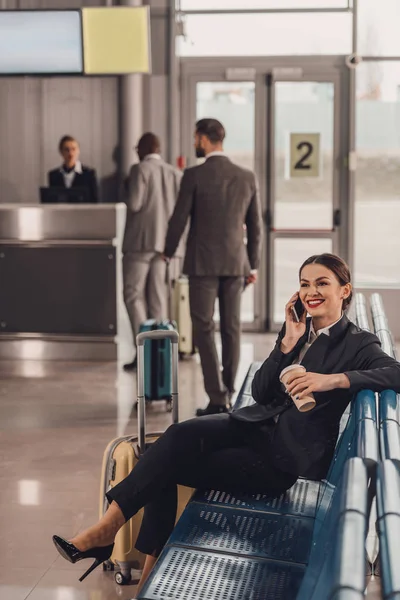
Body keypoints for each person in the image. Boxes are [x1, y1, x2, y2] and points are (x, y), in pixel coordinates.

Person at [52, 253, 400, 593]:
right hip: (254, 424)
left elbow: (395, 373)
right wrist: (287, 343)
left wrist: (333, 380)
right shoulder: (298, 327)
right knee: (174, 438)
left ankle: (121, 548)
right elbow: (262, 392)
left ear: (345, 290)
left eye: (322, 283)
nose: (311, 292)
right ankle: (110, 531)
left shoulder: (357, 343)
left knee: (162, 464)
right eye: (305, 284)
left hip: (281, 459)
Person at [164, 118, 263, 416]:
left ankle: (217, 397)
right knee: (231, 328)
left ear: (205, 139)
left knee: (204, 328)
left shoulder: (193, 175)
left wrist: (167, 252)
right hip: (236, 264)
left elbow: (179, 218)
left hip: (202, 265)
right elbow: (255, 226)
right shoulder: (246, 176)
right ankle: (230, 391)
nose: (195, 142)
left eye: (196, 138)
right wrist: (253, 265)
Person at [122, 132, 183, 371]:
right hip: (165, 246)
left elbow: (135, 204)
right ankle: (160, 355)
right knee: (158, 299)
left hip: (140, 243)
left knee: (132, 294)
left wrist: (127, 189)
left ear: (141, 149)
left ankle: (143, 350)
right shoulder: (174, 173)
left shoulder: (139, 169)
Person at [48, 135, 98, 203]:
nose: (70, 153)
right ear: (61, 152)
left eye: (73, 149)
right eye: (67, 150)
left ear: (78, 151)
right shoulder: (54, 175)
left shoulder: (89, 174)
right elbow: (51, 201)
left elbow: (94, 201)